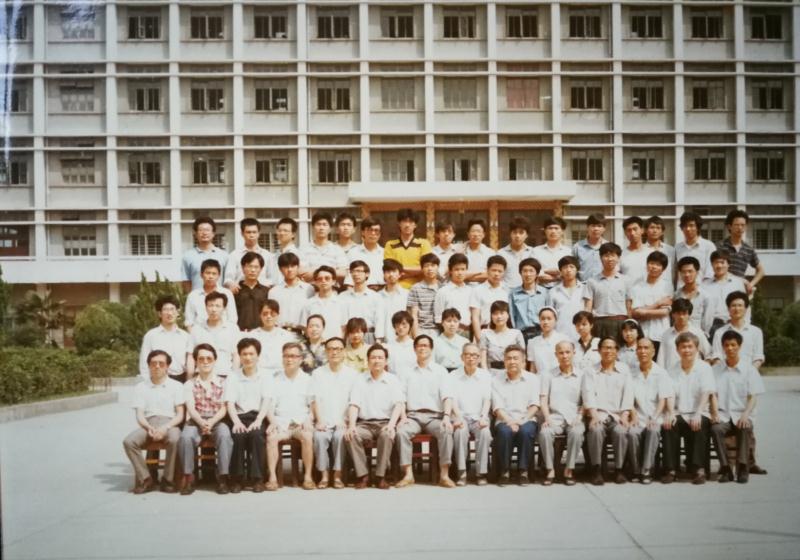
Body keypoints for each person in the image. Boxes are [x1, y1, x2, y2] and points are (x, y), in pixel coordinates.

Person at [395, 335, 457, 488]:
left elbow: (447, 396)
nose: (422, 348)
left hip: (435, 416)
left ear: (431, 349)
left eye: (426, 345)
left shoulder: (440, 371)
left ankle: (444, 475)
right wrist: (403, 417)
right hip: (412, 416)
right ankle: (408, 474)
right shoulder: (406, 372)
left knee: (446, 430)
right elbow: (400, 398)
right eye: (419, 345)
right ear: (414, 349)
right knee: (401, 432)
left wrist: (446, 417)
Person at [123, 350, 185, 494]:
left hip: (170, 423)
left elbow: (180, 414)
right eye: (153, 363)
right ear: (149, 366)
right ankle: (146, 479)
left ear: (167, 366)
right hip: (148, 424)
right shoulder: (141, 387)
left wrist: (165, 427)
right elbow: (139, 414)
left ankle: (168, 480)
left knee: (175, 439)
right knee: (129, 441)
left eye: (161, 364)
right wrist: (148, 427)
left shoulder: (177, 386)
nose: (157, 366)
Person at [344, 344, 405, 489]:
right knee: (351, 435)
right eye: (373, 357)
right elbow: (354, 404)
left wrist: (391, 425)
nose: (376, 360)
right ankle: (363, 475)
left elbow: (398, 404)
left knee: (387, 435)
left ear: (386, 361)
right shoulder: (360, 379)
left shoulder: (393, 380)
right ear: (368, 360)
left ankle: (380, 476)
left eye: (380, 357)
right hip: (364, 424)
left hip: (385, 422)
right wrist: (351, 426)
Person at [177, 344, 234, 495]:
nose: (205, 362)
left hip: (218, 419)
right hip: (196, 420)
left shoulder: (224, 382)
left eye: (209, 358)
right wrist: (202, 422)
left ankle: (223, 477)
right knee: (185, 437)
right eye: (201, 359)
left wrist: (211, 422)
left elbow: (224, 407)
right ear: (196, 361)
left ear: (215, 360)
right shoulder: (189, 384)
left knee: (224, 435)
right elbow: (190, 407)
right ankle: (189, 477)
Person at [710, 330, 764, 484]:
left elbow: (753, 396)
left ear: (739, 346)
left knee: (744, 427)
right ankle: (726, 468)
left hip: (742, 414)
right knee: (715, 429)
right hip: (724, 415)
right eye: (726, 345)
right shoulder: (716, 370)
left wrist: (746, 414)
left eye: (733, 345)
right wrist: (714, 413)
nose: (730, 348)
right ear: (723, 347)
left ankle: (743, 467)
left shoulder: (749, 370)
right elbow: (713, 395)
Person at [662, 332, 715, 485]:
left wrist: (698, 413)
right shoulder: (672, 369)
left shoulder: (704, 368)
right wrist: (670, 413)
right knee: (668, 425)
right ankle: (671, 470)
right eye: (683, 347)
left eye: (690, 347)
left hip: (700, 411)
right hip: (679, 411)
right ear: (677, 350)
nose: (687, 350)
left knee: (700, 424)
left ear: (697, 349)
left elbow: (706, 392)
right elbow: (670, 394)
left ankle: (699, 469)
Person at [582, 337, 635, 485]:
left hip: (617, 415)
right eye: (605, 347)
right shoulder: (590, 371)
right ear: (599, 350)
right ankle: (596, 469)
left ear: (617, 351)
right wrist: (593, 415)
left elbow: (628, 394)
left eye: (612, 348)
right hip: (597, 414)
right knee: (596, 430)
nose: (608, 351)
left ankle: (619, 469)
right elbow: (588, 394)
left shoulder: (624, 370)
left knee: (621, 431)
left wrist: (625, 415)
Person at [265, 342, 316, 491]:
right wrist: (272, 421)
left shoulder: (308, 380)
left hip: (301, 423)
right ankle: (272, 478)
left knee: (307, 436)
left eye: (293, 356)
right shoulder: (274, 380)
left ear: (301, 359)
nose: (289, 359)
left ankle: (308, 477)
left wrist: (309, 419)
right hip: (281, 423)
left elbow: (313, 406)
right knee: (271, 437)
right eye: (286, 356)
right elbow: (269, 406)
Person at [310, 337, 358, 489]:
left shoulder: (352, 374)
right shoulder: (317, 374)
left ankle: (337, 475)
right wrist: (319, 420)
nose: (334, 352)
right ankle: (324, 475)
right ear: (326, 352)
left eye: (338, 349)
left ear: (343, 351)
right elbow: (314, 400)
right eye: (330, 349)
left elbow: (354, 402)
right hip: (324, 420)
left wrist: (348, 422)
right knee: (319, 437)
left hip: (343, 421)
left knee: (340, 437)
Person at [225, 338, 270, 493]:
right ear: (239, 356)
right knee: (237, 436)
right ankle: (237, 479)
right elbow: (230, 403)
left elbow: (266, 400)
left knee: (257, 435)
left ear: (258, 355)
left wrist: (258, 420)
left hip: (258, 416)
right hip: (238, 416)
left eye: (251, 354)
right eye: (244, 354)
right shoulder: (233, 376)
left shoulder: (265, 376)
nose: (248, 357)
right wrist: (236, 422)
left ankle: (258, 479)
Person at [538, 341, 585, 486]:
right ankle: (550, 469)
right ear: (556, 355)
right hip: (555, 417)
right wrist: (547, 418)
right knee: (545, 432)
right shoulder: (548, 375)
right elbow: (543, 400)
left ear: (573, 353)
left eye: (567, 352)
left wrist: (580, 416)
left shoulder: (582, 375)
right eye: (561, 353)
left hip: (575, 417)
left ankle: (569, 469)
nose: (564, 356)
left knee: (577, 432)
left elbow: (586, 400)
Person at [491, 345, 540, 486]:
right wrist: (510, 421)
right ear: (504, 361)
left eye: (515, 358)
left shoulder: (532, 379)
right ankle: (505, 471)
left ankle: (523, 471)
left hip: (526, 419)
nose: (512, 361)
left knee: (526, 432)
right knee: (504, 432)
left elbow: (535, 405)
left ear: (523, 361)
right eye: (508, 358)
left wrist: (521, 421)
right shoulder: (496, 380)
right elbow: (497, 407)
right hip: (504, 419)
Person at [627, 338, 674, 485]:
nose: (643, 351)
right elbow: (629, 398)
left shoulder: (661, 373)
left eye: (646, 348)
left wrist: (654, 417)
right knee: (632, 433)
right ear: (636, 352)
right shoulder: (631, 373)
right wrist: (633, 415)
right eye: (640, 348)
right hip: (638, 415)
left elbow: (663, 399)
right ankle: (636, 469)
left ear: (653, 351)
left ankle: (647, 469)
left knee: (653, 430)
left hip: (656, 415)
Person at [451, 343, 493, 486]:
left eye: (475, 355)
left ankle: (481, 473)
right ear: (462, 357)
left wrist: (483, 417)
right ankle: (462, 472)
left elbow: (487, 399)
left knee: (485, 432)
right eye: (468, 355)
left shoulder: (485, 375)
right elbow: (452, 400)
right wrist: (458, 417)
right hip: (460, 415)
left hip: (479, 416)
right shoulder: (453, 375)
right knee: (460, 432)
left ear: (479, 358)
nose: (471, 358)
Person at [186, 291, 241, 378]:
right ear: (206, 307)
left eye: (217, 306)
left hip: (225, 376)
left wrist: (234, 378)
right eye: (210, 305)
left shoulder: (232, 329)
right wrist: (189, 378)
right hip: (201, 376)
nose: (214, 309)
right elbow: (190, 356)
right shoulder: (196, 329)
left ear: (224, 308)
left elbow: (236, 355)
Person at [628, 251, 672, 357]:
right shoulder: (637, 287)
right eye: (652, 263)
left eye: (658, 265)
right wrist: (658, 303)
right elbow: (635, 313)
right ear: (647, 265)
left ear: (663, 269)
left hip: (660, 333)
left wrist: (644, 311)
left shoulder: (667, 286)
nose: (654, 267)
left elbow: (664, 312)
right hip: (642, 333)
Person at [583, 242, 630, 340]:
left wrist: (630, 326)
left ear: (618, 258)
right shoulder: (592, 281)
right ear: (601, 258)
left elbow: (629, 307)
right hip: (599, 323)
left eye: (613, 255)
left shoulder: (626, 281)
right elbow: (588, 308)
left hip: (620, 323)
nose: (610, 259)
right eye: (606, 256)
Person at [138, 295, 190, 382]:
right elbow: (144, 363)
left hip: (182, 380)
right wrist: (148, 383)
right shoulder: (151, 336)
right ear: (159, 314)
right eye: (165, 310)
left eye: (172, 309)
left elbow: (190, 363)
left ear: (178, 312)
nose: (169, 313)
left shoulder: (186, 336)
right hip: (159, 380)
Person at [710, 291, 764, 368]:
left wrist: (750, 372)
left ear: (746, 309)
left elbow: (758, 358)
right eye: (733, 305)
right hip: (725, 372)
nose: (737, 309)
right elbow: (717, 357)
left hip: (749, 372)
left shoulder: (756, 332)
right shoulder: (720, 332)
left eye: (740, 305)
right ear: (728, 309)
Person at [268, 252, 315, 338]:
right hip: (279, 334)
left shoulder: (309, 289)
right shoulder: (273, 292)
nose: (289, 270)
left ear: (298, 267)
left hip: (302, 335)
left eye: (293, 266)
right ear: (280, 269)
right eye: (286, 267)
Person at [383, 208, 432, 289]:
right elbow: (390, 268)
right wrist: (416, 272)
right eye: (404, 221)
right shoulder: (390, 245)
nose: (407, 225)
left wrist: (400, 269)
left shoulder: (424, 244)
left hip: (420, 289)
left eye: (411, 222)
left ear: (415, 225)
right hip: (397, 289)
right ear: (399, 224)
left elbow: (426, 268)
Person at [718, 209, 765, 295]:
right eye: (736, 225)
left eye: (743, 225)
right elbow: (715, 268)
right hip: (721, 287)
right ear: (729, 226)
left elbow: (761, 271)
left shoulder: (748, 249)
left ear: (746, 227)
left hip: (740, 290)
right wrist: (740, 280)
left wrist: (751, 284)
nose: (740, 228)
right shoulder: (720, 246)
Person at [657, 299, 712, 372]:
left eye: (684, 313)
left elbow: (709, 354)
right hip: (671, 375)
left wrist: (702, 369)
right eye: (678, 313)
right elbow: (661, 360)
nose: (681, 317)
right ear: (673, 314)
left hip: (693, 375)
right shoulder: (666, 334)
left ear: (689, 315)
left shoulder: (697, 333)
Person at [339, 260, 386, 343]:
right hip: (350, 336)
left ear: (367, 274)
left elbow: (379, 321)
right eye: (353, 271)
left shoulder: (376, 297)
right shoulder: (343, 296)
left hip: (369, 335)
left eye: (359, 271)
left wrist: (378, 341)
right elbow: (342, 323)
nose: (355, 274)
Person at [703, 250, 747, 338]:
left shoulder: (738, 283)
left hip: (734, 325)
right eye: (716, 262)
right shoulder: (704, 285)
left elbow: (745, 305)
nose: (719, 266)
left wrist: (746, 324)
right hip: (712, 327)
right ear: (712, 265)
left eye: (722, 262)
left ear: (728, 264)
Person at [184, 259, 237, 331]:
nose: (210, 276)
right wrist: (196, 335)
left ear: (219, 275)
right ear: (201, 274)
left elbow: (232, 319)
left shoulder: (227, 293)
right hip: (200, 333)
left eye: (214, 273)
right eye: (208, 273)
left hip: (223, 333)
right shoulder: (193, 296)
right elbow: (189, 322)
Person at [224, 218, 272, 293]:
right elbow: (228, 279)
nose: (251, 235)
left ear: (259, 233)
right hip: (241, 294)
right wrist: (231, 285)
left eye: (254, 232)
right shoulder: (234, 255)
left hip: (262, 294)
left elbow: (272, 279)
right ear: (242, 233)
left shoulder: (267, 255)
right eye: (248, 232)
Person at [508, 257, 549, 343]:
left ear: (537, 273)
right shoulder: (513, 293)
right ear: (520, 273)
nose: (528, 274)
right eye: (525, 271)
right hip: (521, 334)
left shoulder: (545, 293)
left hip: (541, 333)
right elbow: (512, 315)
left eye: (531, 271)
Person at [299, 266, 346, 341]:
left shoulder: (342, 303)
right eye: (320, 279)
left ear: (333, 281)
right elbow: (304, 328)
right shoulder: (308, 304)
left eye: (327, 278)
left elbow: (344, 328)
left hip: (335, 345)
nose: (323, 281)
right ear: (315, 282)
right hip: (315, 345)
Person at [182, 216, 229, 291]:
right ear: (195, 234)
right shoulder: (188, 256)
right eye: (201, 230)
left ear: (213, 233)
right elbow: (186, 281)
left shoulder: (224, 255)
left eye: (207, 230)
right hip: (197, 297)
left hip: (218, 297)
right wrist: (191, 296)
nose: (204, 233)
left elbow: (227, 280)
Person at [479, 300, 525, 376]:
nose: (499, 316)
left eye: (502, 313)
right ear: (491, 316)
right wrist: (486, 376)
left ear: (508, 315)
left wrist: (518, 376)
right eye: (495, 313)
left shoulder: (517, 333)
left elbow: (522, 360)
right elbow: (483, 361)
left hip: (512, 374)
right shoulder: (485, 333)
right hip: (491, 374)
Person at [433, 254, 473, 339]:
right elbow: (438, 319)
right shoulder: (443, 292)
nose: (460, 273)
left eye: (463, 269)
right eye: (456, 269)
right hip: (450, 333)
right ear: (450, 271)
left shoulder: (471, 291)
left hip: (469, 332)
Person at [249, 300, 294, 374]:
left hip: (281, 374)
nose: (269, 316)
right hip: (258, 374)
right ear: (260, 315)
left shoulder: (286, 336)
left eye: (272, 314)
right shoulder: (252, 335)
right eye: (265, 314)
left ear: (278, 315)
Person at [301, 212, 348, 282]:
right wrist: (332, 271)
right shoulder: (303, 249)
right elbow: (302, 272)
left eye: (324, 224)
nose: (321, 228)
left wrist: (315, 272)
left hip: (332, 288)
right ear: (313, 227)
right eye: (318, 224)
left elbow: (343, 273)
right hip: (309, 287)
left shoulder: (337, 250)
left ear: (330, 228)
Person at [469, 254, 509, 337]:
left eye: (500, 271)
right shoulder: (478, 290)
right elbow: (475, 318)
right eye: (494, 270)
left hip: (504, 332)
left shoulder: (507, 291)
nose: (496, 274)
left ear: (504, 272)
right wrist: (479, 339)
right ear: (487, 270)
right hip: (485, 331)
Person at [674, 256, 714, 336]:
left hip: (698, 336)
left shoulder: (706, 296)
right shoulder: (676, 295)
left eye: (690, 271)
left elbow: (707, 321)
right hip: (679, 336)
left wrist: (702, 336)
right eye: (683, 272)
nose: (687, 275)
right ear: (680, 273)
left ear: (697, 272)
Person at [675, 211, 716, 285]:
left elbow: (710, 271)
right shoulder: (677, 248)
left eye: (691, 225)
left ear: (698, 227)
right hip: (681, 289)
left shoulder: (708, 246)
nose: (688, 229)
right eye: (685, 226)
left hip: (702, 289)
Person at [549, 256, 585, 338]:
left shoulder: (585, 289)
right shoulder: (553, 292)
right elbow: (550, 316)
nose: (568, 270)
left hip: (581, 335)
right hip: (560, 335)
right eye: (565, 267)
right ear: (560, 271)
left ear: (577, 270)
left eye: (571, 267)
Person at [526, 307, 569, 374]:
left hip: (560, 377)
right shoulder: (532, 342)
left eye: (549, 319)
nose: (546, 322)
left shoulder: (564, 339)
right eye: (543, 319)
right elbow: (533, 368)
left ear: (555, 320)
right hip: (540, 378)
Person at [233, 251, 269, 331]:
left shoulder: (266, 291)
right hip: (240, 332)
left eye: (256, 267)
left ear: (261, 269)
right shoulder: (235, 291)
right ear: (243, 268)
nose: (253, 270)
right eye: (249, 266)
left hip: (261, 332)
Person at [407, 253, 441, 338]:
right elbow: (413, 315)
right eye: (426, 266)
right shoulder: (416, 288)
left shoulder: (443, 287)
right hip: (422, 330)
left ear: (438, 267)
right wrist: (416, 337)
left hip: (441, 331)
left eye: (433, 265)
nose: (430, 269)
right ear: (422, 269)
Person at [532, 216, 571, 288]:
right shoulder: (535, 251)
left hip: (562, 290)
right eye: (550, 228)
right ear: (545, 231)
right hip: (541, 289)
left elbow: (570, 272)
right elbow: (533, 272)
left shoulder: (568, 252)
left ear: (562, 231)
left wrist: (546, 272)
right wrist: (558, 276)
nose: (553, 231)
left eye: (556, 228)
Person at [497, 216, 535, 289]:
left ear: (527, 235)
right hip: (507, 291)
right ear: (510, 234)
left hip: (527, 292)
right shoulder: (501, 253)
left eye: (521, 232)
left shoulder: (532, 252)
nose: (517, 236)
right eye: (514, 232)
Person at [345, 218, 384, 289]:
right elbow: (349, 278)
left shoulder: (385, 253)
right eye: (369, 230)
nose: (373, 233)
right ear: (363, 232)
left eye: (376, 230)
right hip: (360, 290)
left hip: (382, 290)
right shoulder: (353, 253)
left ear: (380, 234)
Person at [379, 258, 409, 343]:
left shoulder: (407, 294)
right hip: (383, 340)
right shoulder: (377, 296)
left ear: (400, 274)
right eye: (388, 272)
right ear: (383, 274)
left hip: (403, 340)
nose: (391, 274)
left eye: (394, 271)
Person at [268, 217, 303, 285]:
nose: (282, 233)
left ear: (293, 234)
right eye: (279, 230)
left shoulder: (299, 255)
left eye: (285, 230)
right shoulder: (273, 257)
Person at [572, 212, 607, 282]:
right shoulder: (578, 247)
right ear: (587, 227)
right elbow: (572, 267)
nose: (596, 229)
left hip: (603, 285)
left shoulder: (608, 247)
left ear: (604, 229)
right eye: (593, 226)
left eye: (599, 226)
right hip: (583, 285)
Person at [644, 215, 675, 283]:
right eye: (652, 227)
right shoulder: (641, 249)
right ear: (646, 230)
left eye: (658, 228)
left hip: (666, 287)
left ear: (662, 232)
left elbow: (674, 272)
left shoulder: (670, 250)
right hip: (647, 286)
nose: (655, 230)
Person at [619, 216, 650, 285]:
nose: (632, 233)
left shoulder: (651, 253)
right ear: (625, 233)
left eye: (635, 229)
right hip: (627, 291)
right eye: (629, 230)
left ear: (642, 230)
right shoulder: (620, 255)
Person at [463, 219, 495, 285]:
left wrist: (467, 276)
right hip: (464, 289)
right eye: (473, 231)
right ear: (468, 234)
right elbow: (457, 274)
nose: (476, 234)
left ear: (484, 234)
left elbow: (491, 274)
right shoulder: (461, 252)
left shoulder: (491, 253)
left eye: (479, 231)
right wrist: (481, 275)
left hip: (484, 289)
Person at [386, 310, 417, 374]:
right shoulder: (389, 346)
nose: (400, 327)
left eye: (404, 324)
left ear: (410, 325)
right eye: (397, 324)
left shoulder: (415, 345)